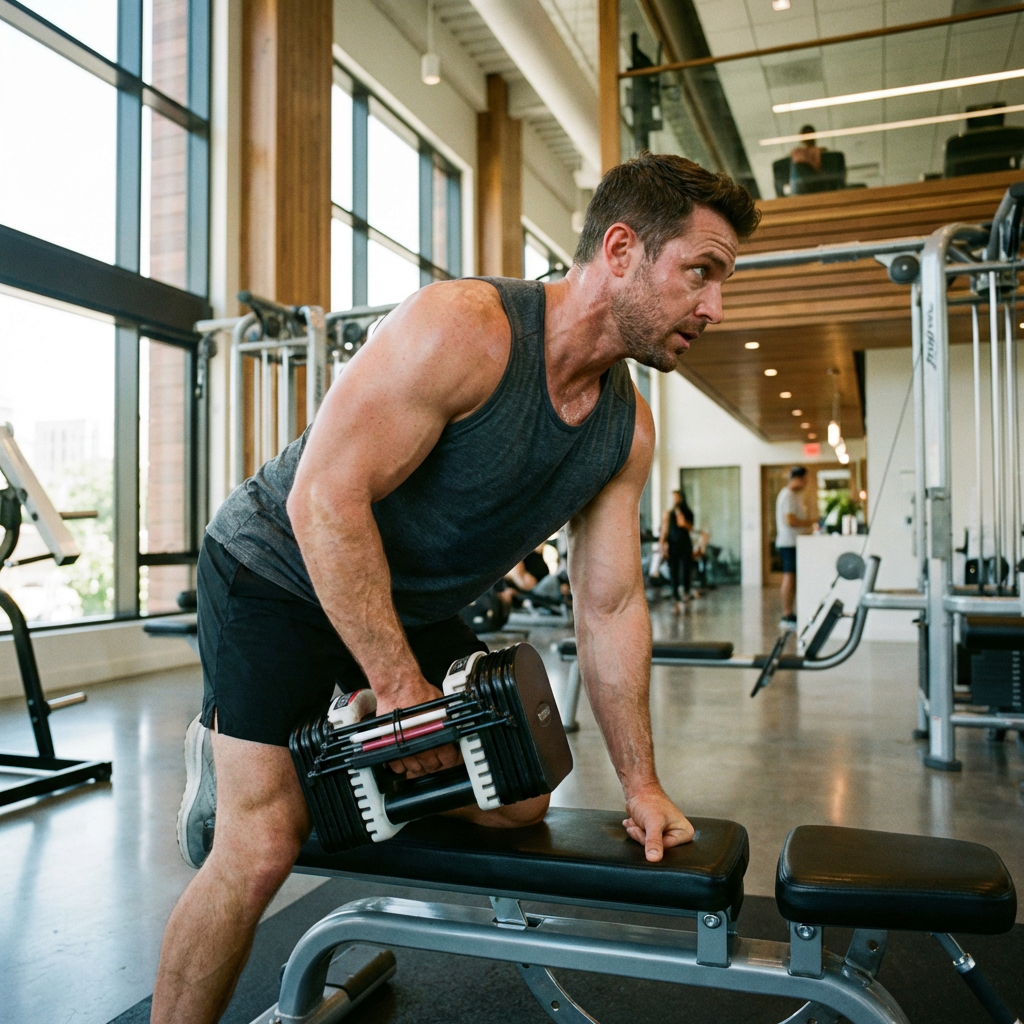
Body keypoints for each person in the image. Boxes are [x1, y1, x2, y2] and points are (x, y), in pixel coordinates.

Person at [150, 151, 760, 1024]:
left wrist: (642, 785)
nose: (715, 307)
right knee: (258, 847)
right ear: (621, 250)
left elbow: (611, 603)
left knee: (520, 798)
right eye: (701, 272)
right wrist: (404, 698)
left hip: (406, 599)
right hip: (277, 566)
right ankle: (246, 790)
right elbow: (325, 499)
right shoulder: (467, 328)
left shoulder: (625, 430)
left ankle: (319, 758)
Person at [775, 466, 816, 629]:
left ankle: (790, 612)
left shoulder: (794, 496)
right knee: (789, 577)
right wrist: (812, 522)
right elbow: (790, 521)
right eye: (804, 479)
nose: (806, 483)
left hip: (794, 542)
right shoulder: (787, 496)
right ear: (797, 478)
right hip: (788, 542)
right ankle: (786, 614)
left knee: (792, 577)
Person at [659, 489, 695, 612]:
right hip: (672, 545)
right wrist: (662, 544)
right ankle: (675, 594)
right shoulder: (668, 514)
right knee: (673, 569)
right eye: (673, 498)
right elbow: (664, 530)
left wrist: (683, 522)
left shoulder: (688, 512)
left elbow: (691, 528)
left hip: (685, 544)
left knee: (685, 569)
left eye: (676, 498)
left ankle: (686, 591)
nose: (674, 500)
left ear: (681, 498)